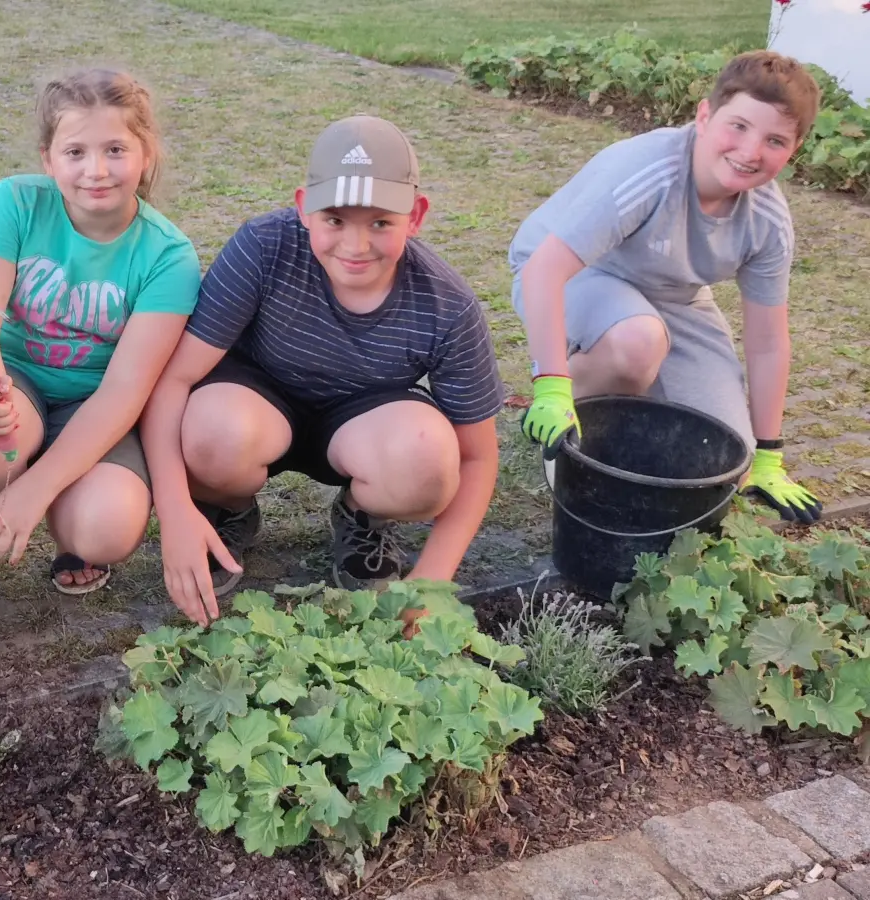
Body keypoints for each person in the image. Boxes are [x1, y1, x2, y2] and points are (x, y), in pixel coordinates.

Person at [143, 115, 505, 626]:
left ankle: (363, 516)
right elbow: (174, 379)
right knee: (208, 430)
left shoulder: (447, 303)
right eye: (334, 219)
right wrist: (176, 513)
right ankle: (227, 506)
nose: (355, 246)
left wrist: (433, 580)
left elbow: (477, 459)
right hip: (257, 401)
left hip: (364, 418)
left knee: (429, 456)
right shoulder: (264, 246)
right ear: (302, 207)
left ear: (416, 215)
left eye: (381, 222)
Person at [0, 68, 202, 677]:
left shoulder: (169, 256)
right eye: (75, 152)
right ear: (49, 159)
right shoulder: (15, 203)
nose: (95, 171)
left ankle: (62, 518)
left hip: (96, 404)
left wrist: (33, 489)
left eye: (115, 150)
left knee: (105, 528)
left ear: (146, 154)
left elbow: (126, 391)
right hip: (15, 377)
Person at [510, 50, 824, 524]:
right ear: (704, 115)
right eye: (737, 126)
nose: (750, 151)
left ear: (794, 149)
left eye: (775, 140)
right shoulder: (650, 170)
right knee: (637, 343)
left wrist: (767, 455)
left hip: (674, 296)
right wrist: (552, 386)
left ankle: (625, 399)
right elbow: (543, 272)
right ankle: (566, 432)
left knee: (726, 462)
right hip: (578, 273)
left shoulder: (768, 222)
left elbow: (766, 343)